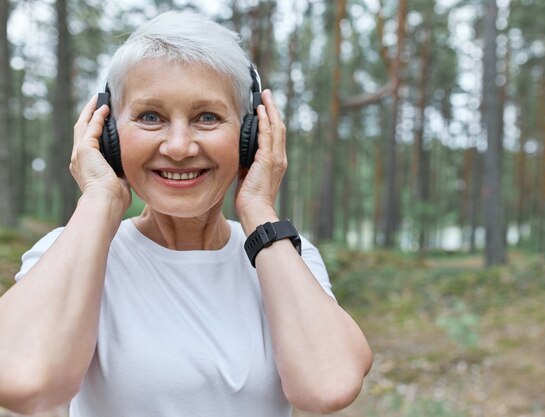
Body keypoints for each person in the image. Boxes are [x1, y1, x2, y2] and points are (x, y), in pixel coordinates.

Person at [0, 10, 372, 417]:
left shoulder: (283, 257)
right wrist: (99, 199)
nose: (178, 146)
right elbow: (23, 381)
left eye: (207, 117)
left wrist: (258, 209)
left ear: (252, 136)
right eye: (150, 117)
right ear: (108, 135)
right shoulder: (70, 251)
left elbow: (328, 387)